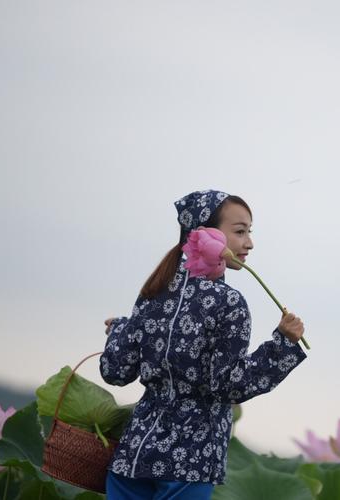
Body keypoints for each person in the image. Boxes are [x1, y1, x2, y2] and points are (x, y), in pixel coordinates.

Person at [99, 189, 307, 499]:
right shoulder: (229, 303)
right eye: (240, 232)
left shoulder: (153, 292)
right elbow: (229, 386)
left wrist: (119, 330)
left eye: (249, 232)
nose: (249, 243)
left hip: (132, 459)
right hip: (189, 464)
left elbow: (116, 371)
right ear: (205, 234)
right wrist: (283, 344)